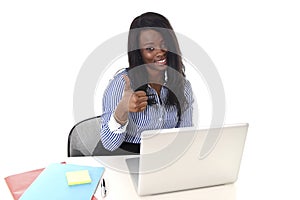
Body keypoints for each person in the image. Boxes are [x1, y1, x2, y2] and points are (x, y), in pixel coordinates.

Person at [99, 12, 194, 154]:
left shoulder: (182, 86)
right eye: (150, 48)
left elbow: (184, 137)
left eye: (164, 44)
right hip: (125, 157)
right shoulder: (122, 84)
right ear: (138, 52)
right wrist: (122, 111)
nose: (160, 52)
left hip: (163, 158)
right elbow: (109, 144)